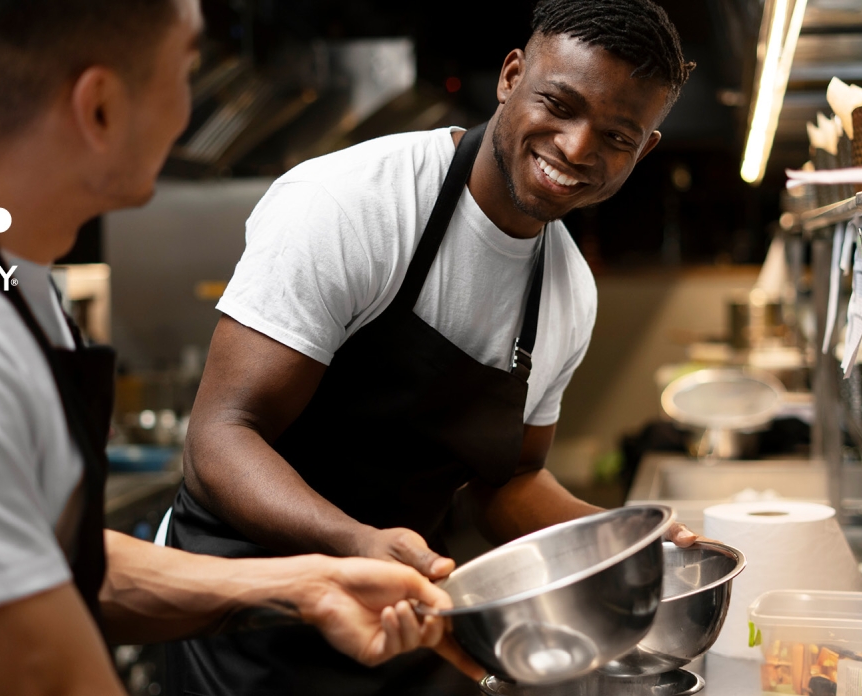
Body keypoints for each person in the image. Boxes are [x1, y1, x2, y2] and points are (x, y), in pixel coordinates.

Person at [0, 1, 471, 694]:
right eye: (186, 72)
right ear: (98, 107)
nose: (190, 108)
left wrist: (311, 583)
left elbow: (49, 566)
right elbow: (50, 680)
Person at [167, 0, 698, 693]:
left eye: (617, 136)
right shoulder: (352, 204)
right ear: (511, 76)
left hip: (402, 619)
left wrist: (626, 540)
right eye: (559, 105)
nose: (576, 148)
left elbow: (507, 486)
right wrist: (356, 541)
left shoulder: (568, 291)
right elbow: (220, 439)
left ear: (645, 148)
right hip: (247, 617)